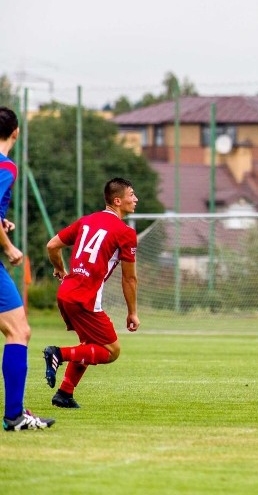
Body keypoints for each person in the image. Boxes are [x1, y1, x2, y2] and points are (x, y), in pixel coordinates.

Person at [43, 177, 140, 408]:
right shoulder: (125, 232)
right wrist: (132, 312)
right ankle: (58, 353)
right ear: (117, 201)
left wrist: (60, 269)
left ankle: (64, 393)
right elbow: (130, 278)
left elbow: (51, 245)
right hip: (85, 298)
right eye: (131, 195)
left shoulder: (87, 221)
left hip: (66, 293)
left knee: (88, 344)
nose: (135, 199)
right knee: (111, 351)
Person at [0, 107, 55, 431]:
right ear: (16, 132)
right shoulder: (6, 166)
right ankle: (15, 415)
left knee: (18, 330)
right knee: (19, 331)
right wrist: (9, 247)